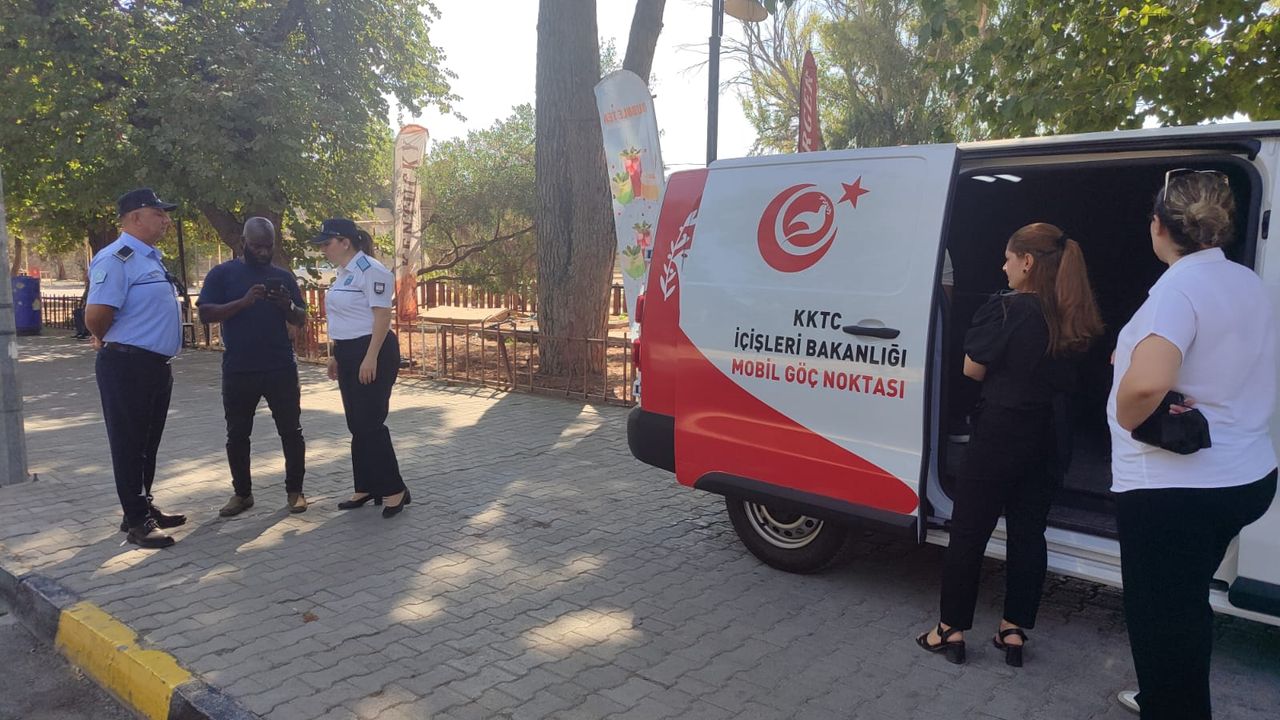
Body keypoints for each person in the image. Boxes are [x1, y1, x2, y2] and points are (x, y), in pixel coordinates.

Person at [1109, 170, 1277, 719]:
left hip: (1176, 491)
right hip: (1246, 475)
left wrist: (1127, 416)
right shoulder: (1246, 281)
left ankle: (1170, 702)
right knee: (1185, 604)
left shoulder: (1177, 290)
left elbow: (1147, 385)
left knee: (1162, 623)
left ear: (1159, 226)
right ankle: (1166, 694)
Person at [917, 222, 1103, 665]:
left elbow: (972, 369)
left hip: (1001, 432)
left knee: (969, 531)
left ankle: (951, 630)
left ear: (1028, 262)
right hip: (1051, 436)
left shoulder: (1006, 309)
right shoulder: (1075, 315)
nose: (1003, 267)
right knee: (1028, 533)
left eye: (1008, 258)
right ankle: (1013, 630)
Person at [85, 188, 187, 549]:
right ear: (135, 218)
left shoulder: (150, 258)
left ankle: (140, 507)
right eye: (159, 213)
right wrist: (107, 338)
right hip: (127, 364)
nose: (166, 220)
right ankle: (137, 523)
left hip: (154, 365)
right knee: (129, 444)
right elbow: (96, 315)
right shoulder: (117, 258)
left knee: (147, 443)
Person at [197, 217, 310, 517]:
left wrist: (286, 305)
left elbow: (301, 317)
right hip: (239, 368)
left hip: (280, 367)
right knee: (237, 435)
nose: (263, 252)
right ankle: (242, 494)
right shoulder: (222, 274)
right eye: (257, 246)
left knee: (291, 431)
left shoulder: (282, 276)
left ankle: (295, 491)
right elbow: (205, 314)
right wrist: (243, 302)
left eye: (268, 246)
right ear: (243, 243)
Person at [309, 218, 410, 518]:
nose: (323, 249)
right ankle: (366, 486)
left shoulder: (372, 270)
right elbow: (341, 318)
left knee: (370, 422)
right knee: (356, 423)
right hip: (348, 351)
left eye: (327, 243)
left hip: (373, 349)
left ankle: (395, 489)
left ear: (345, 242)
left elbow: (382, 316)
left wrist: (370, 357)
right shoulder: (343, 274)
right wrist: (335, 354)